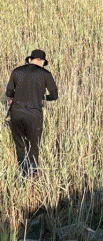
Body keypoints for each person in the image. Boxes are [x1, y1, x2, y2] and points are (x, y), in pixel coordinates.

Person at [5, 49, 58, 177]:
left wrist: (14, 97)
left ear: (29, 59)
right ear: (43, 62)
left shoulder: (17, 71)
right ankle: (33, 175)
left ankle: (23, 174)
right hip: (34, 115)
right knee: (34, 146)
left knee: (20, 146)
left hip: (16, 113)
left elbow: (8, 93)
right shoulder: (45, 74)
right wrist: (42, 98)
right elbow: (54, 95)